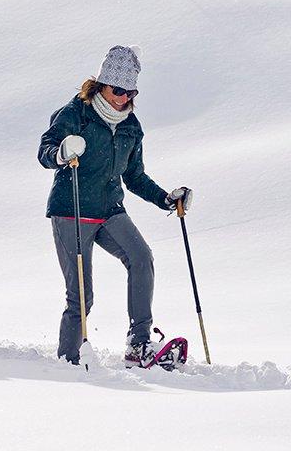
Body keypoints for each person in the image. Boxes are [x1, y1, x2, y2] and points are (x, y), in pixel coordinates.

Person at [38, 45, 192, 367]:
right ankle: (70, 359)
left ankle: (139, 343)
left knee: (141, 257)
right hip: (73, 209)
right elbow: (45, 150)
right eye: (118, 90)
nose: (123, 98)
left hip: (109, 210)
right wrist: (61, 153)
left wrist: (166, 197)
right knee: (81, 294)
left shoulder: (131, 126)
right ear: (102, 84)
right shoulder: (76, 113)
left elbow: (134, 176)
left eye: (130, 91)